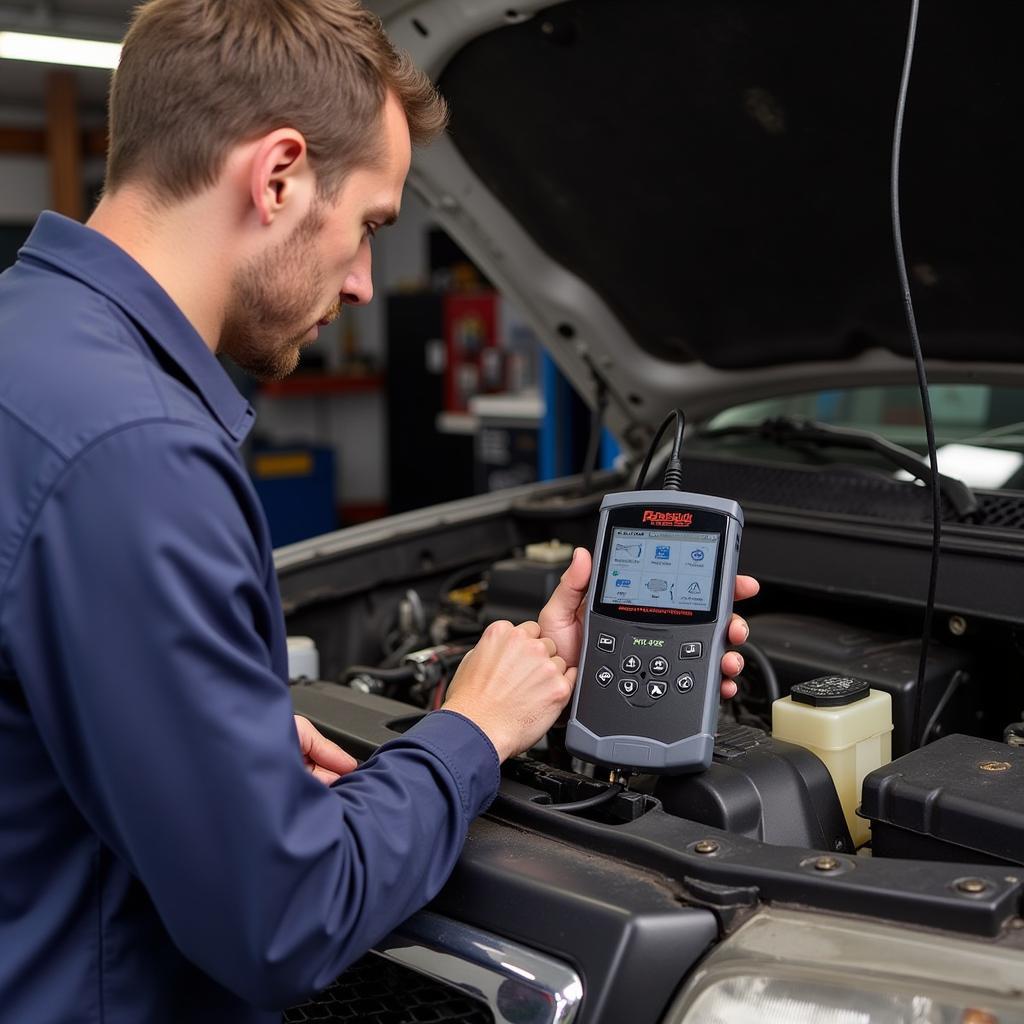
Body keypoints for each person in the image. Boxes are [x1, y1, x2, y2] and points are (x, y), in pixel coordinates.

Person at [0, 1, 758, 1020]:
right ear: (275, 176)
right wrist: (467, 734)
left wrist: (232, 742)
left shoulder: (29, 345)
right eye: (369, 227)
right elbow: (287, 918)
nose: (364, 281)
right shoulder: (136, 456)